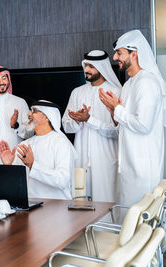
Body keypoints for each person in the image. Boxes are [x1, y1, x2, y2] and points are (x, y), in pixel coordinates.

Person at [99, 30, 166, 209]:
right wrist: (112, 111)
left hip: (142, 169)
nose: (115, 57)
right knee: (129, 223)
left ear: (134, 53)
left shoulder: (147, 82)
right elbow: (125, 126)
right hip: (129, 168)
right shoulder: (129, 83)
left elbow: (143, 125)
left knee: (142, 225)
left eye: (119, 53)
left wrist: (117, 108)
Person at [62, 50, 121, 202]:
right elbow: (66, 126)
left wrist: (89, 120)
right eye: (85, 65)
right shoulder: (77, 92)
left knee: (106, 202)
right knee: (80, 202)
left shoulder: (116, 92)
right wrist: (77, 121)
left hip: (105, 159)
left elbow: (118, 131)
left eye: (91, 66)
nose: (86, 70)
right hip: (80, 157)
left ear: (102, 68)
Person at [0, 100, 77, 200]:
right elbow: (15, 184)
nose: (29, 114)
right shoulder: (24, 144)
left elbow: (62, 180)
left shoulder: (61, 143)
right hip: (30, 207)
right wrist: (8, 166)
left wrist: (33, 165)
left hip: (57, 208)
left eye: (34, 111)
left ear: (47, 116)